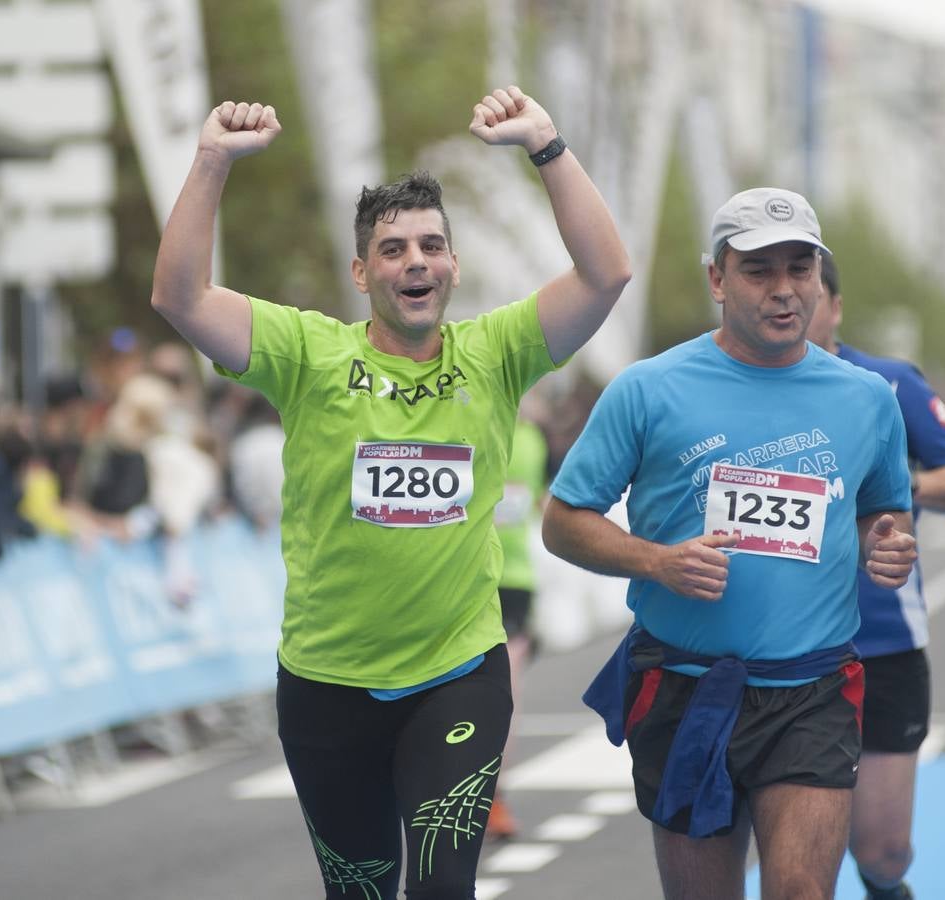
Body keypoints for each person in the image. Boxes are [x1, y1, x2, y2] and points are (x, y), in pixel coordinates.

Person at [150, 87, 630, 900]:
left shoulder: (497, 352)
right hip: (325, 683)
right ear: (362, 270)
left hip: (457, 674)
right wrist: (210, 163)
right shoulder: (307, 353)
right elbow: (180, 298)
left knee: (442, 890)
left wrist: (546, 145)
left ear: (452, 265)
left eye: (432, 246)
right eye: (395, 247)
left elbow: (607, 271)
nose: (416, 262)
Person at [543, 187, 918, 900]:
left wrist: (886, 546)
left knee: (802, 892)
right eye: (758, 270)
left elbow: (882, 512)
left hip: (813, 691)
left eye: (800, 268)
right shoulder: (648, 390)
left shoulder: (866, 397)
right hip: (686, 686)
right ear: (717, 278)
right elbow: (563, 522)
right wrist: (656, 560)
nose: (784, 290)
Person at [804, 253, 945, 900]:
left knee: (882, 851)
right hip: (780, 653)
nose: (791, 299)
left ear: (837, 307)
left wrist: (901, 486)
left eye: (811, 288)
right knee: (785, 853)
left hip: (883, 646)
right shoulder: (739, 385)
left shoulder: (888, 383)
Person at [485, 410, 551, 839]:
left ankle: (493, 797)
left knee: (502, 691)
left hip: (512, 579)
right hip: (466, 574)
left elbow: (539, 497)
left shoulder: (533, 438)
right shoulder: (467, 413)